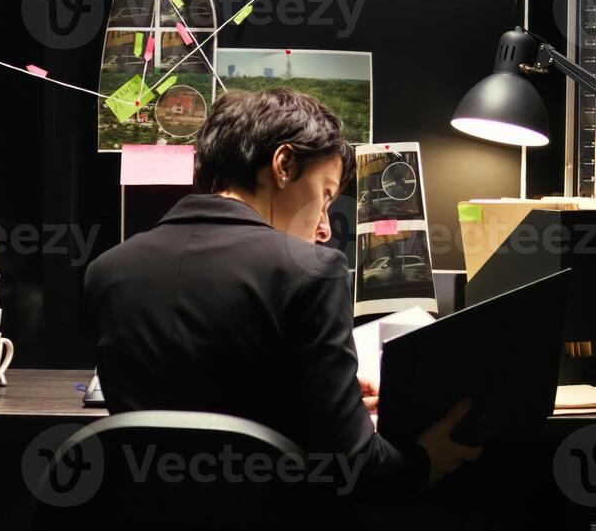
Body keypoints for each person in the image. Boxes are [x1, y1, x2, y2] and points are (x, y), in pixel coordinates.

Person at [84, 87, 482, 494]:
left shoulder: (107, 271)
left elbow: (199, 396)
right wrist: (421, 462)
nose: (325, 227)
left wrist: (332, 392)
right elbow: (353, 465)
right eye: (325, 196)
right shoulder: (311, 271)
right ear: (284, 164)